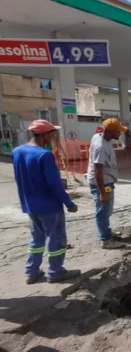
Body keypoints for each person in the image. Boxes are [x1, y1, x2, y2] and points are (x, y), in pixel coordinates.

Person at [12, 120, 81, 284]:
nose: (53, 136)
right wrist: (68, 203)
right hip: (49, 206)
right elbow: (55, 183)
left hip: (30, 205)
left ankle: (31, 272)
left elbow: (19, 178)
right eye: (51, 133)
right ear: (43, 134)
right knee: (56, 238)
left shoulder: (17, 151)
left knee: (37, 239)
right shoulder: (44, 155)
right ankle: (55, 272)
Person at [87, 118, 127, 249]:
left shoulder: (99, 137)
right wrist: (102, 192)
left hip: (106, 182)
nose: (120, 134)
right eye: (118, 131)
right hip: (102, 184)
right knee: (102, 211)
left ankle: (107, 231)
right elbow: (98, 170)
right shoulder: (101, 146)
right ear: (110, 131)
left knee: (107, 210)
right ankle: (106, 240)